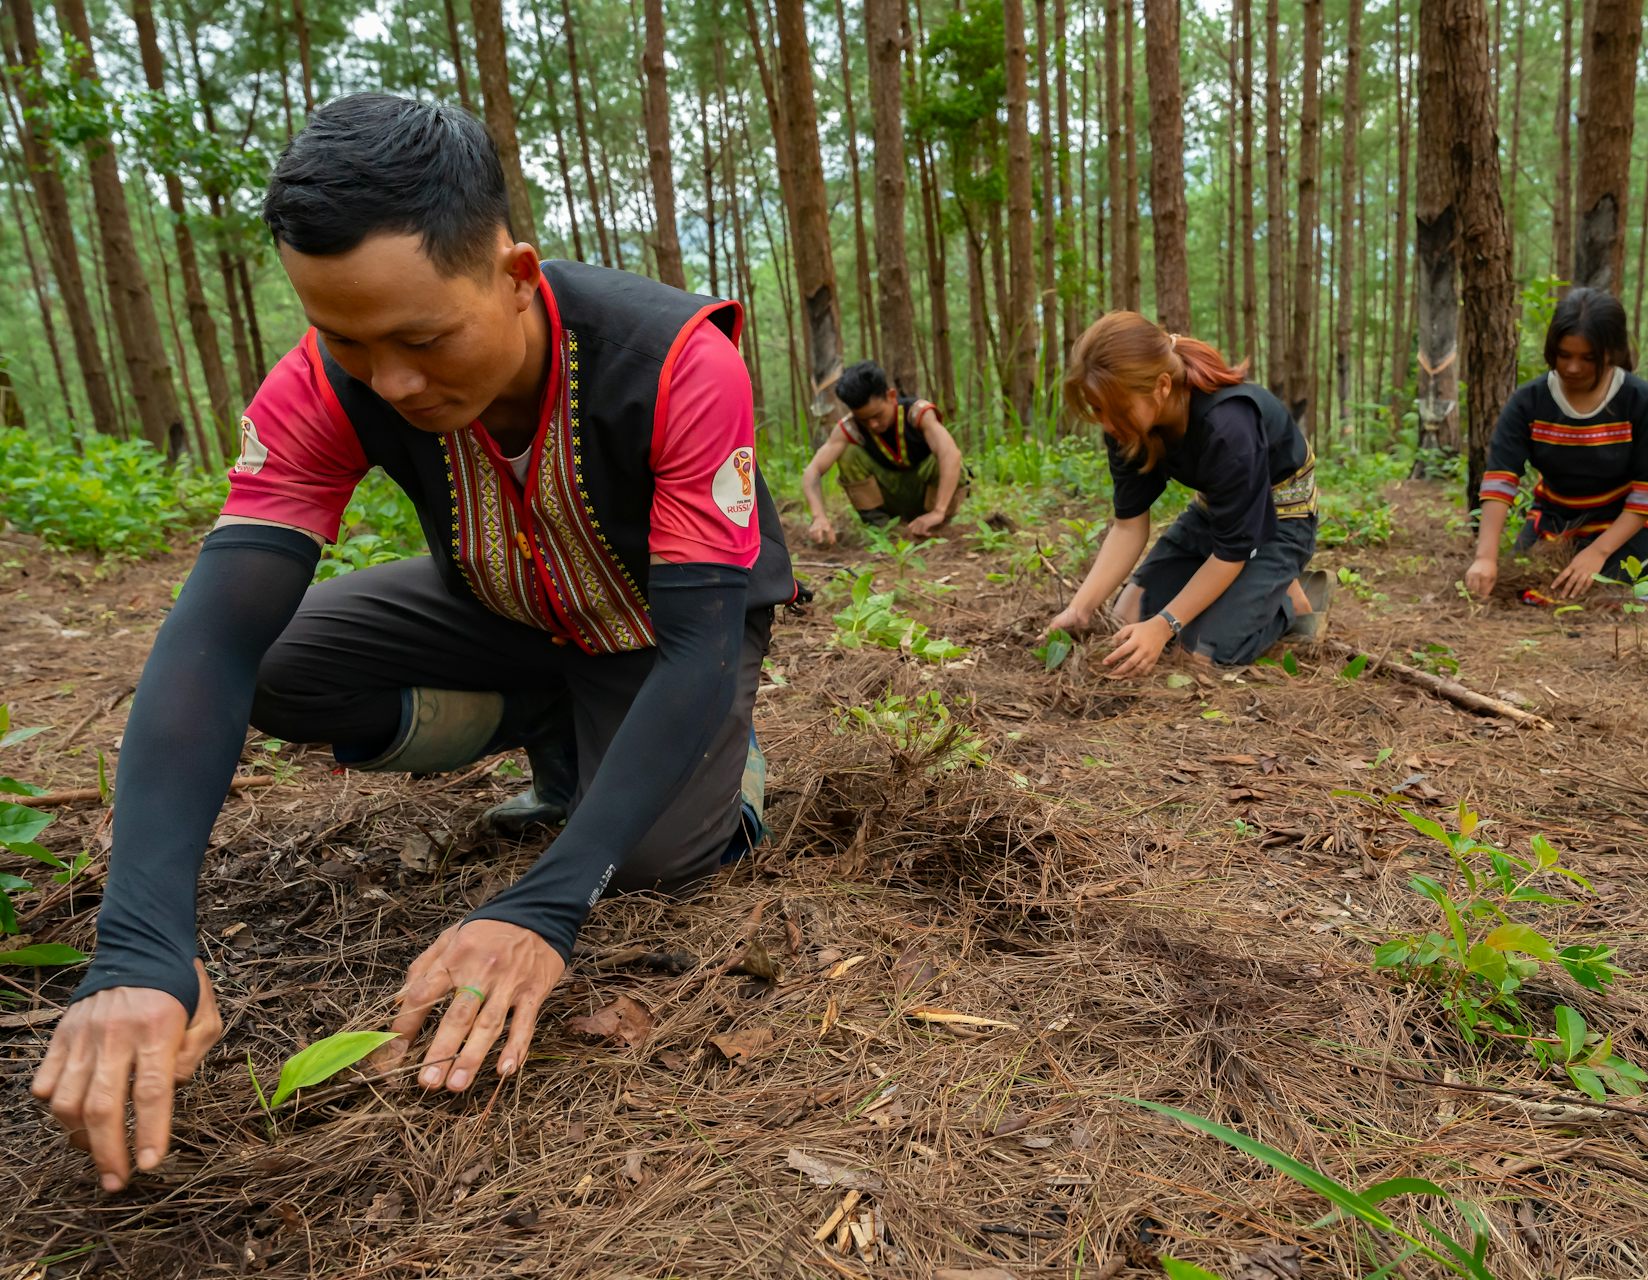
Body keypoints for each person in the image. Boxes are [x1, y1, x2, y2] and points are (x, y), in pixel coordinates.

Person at [30, 94, 794, 1192]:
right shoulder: (328, 380)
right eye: (346, 339)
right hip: (504, 604)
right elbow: (213, 637)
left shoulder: (672, 359)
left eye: (424, 339)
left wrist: (544, 903)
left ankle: (710, 761)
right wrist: (140, 944)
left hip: (659, 635)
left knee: (658, 858)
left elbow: (701, 640)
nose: (388, 381)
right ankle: (552, 722)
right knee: (284, 662)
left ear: (517, 275)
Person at [1047, 312, 1328, 676]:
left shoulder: (1229, 425)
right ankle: (1260, 584)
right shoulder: (1125, 426)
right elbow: (1129, 527)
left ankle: (1288, 598)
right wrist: (1080, 609)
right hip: (1218, 516)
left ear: (1162, 386)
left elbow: (1231, 552)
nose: (1105, 423)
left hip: (1283, 520)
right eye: (1097, 409)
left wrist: (1165, 625)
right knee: (1126, 618)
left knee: (1200, 654)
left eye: (1113, 410)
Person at [1465, 287, 1648, 601]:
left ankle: (1637, 571)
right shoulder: (1529, 401)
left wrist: (1598, 552)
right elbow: (1500, 479)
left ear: (1611, 352)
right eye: (1565, 355)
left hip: (1620, 524)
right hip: (1553, 520)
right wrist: (1485, 558)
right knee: (1529, 587)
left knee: (1602, 592)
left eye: (1587, 358)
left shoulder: (1644, 403)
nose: (1573, 367)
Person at [800, 361, 966, 544]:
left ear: (891, 396)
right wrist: (819, 517)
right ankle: (884, 530)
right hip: (890, 501)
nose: (872, 425)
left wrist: (938, 512)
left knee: (945, 456)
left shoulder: (918, 414)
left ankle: (935, 525)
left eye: (877, 415)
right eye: (864, 419)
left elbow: (951, 455)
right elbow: (812, 471)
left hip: (928, 498)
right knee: (848, 454)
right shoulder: (849, 428)